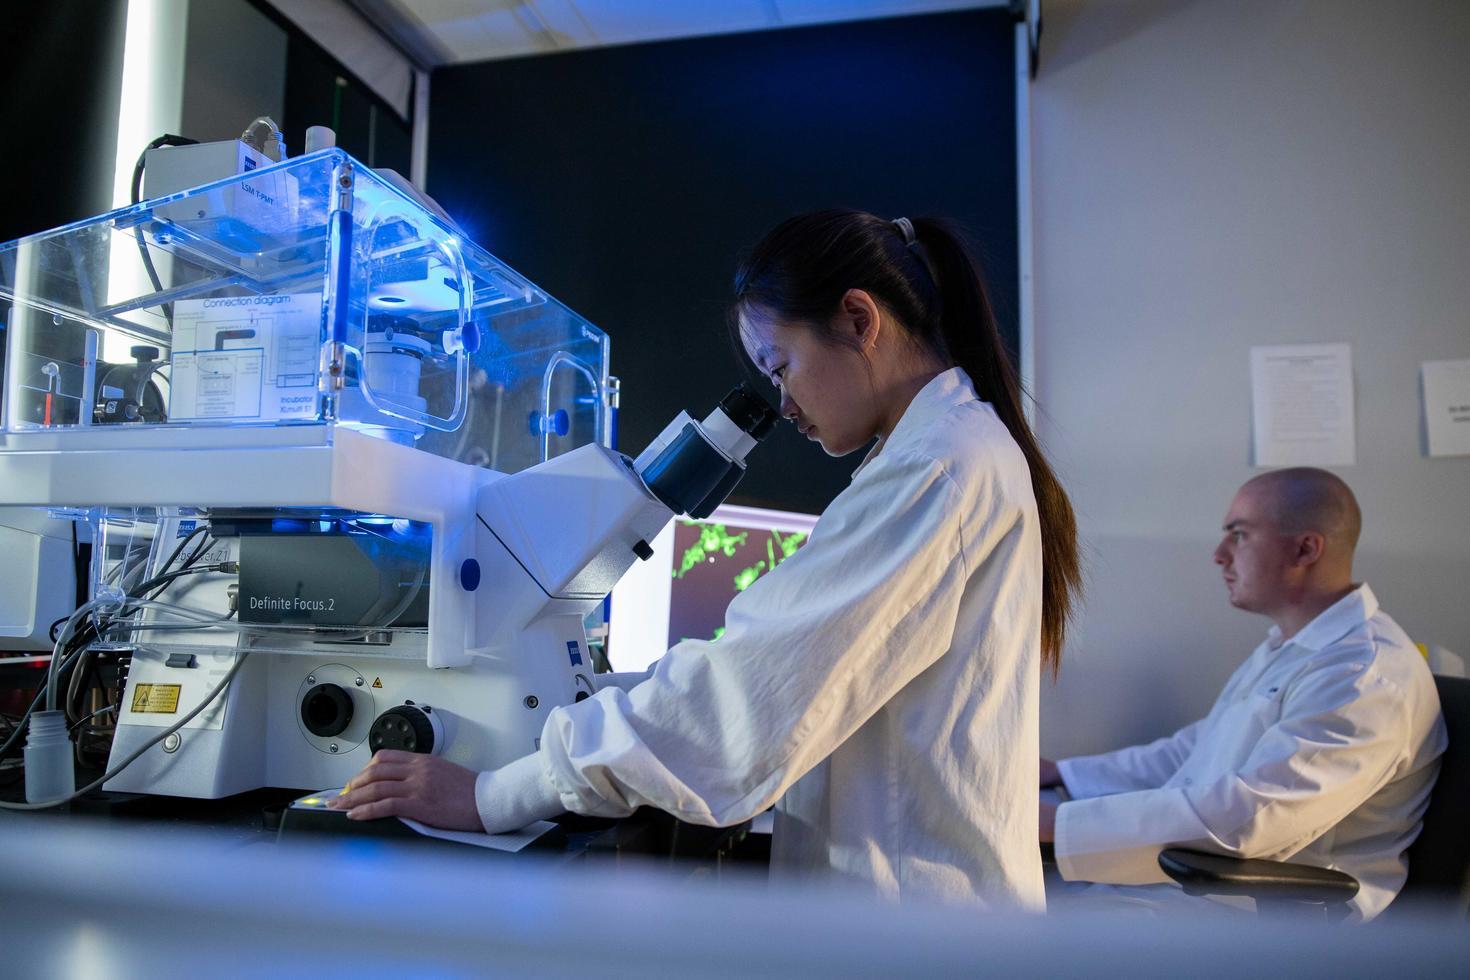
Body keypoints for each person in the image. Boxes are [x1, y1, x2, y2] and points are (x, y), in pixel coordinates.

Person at [333, 209, 1082, 907]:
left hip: (912, 928)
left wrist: (493, 796)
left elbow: (753, 689)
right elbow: (776, 667)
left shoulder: (937, 471)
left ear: (858, 320)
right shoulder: (953, 453)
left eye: (780, 366)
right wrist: (604, 698)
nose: (783, 407)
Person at [1040, 468, 1446, 921]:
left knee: (1005, 934)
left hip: (1263, 913)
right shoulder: (1296, 646)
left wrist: (1057, 825)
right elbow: (1196, 750)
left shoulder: (1365, 677)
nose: (1219, 555)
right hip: (1197, 887)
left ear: (1305, 548)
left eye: (1239, 535)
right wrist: (1064, 774)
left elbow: (1255, 817)